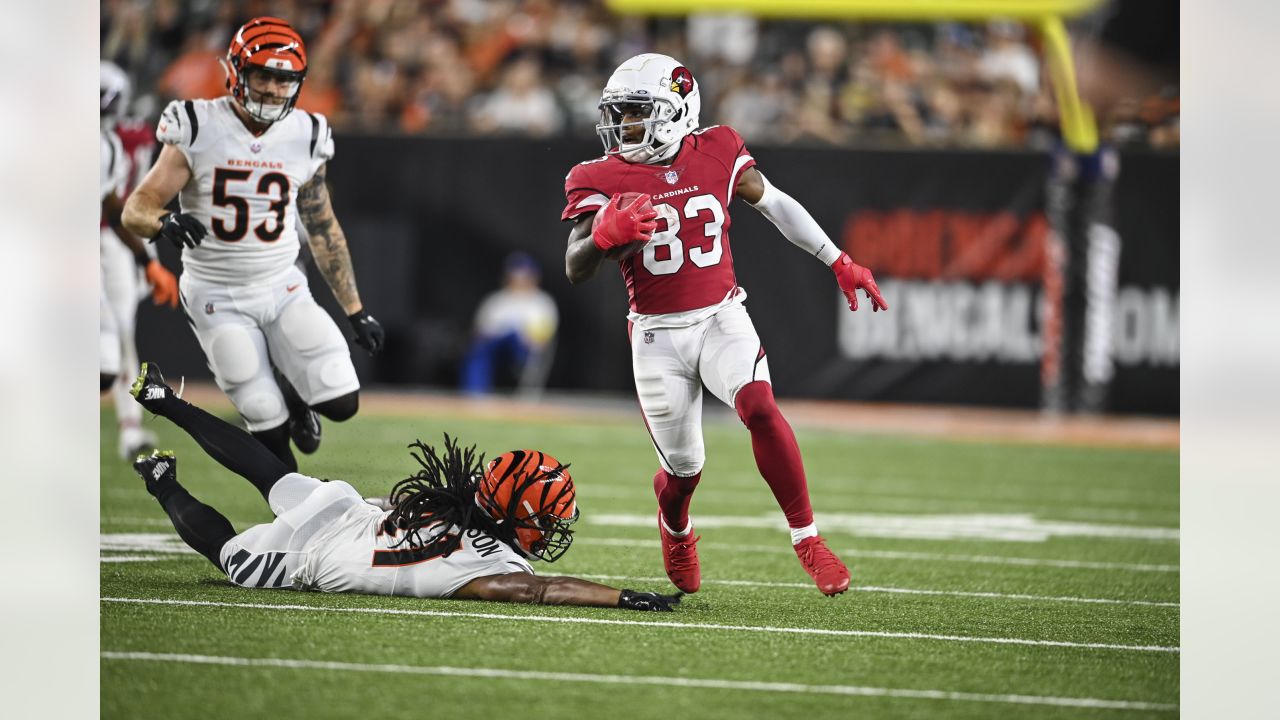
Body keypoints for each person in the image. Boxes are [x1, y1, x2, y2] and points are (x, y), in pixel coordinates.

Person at [561, 54, 888, 596]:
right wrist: (599, 237)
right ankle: (676, 525)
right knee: (684, 472)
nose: (623, 127)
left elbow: (776, 204)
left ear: (676, 110)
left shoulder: (717, 148)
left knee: (759, 406)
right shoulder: (596, 176)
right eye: (619, 114)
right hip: (656, 334)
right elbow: (575, 268)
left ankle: (807, 538)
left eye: (636, 113)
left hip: (720, 316)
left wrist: (838, 259)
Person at [127, 362, 681, 612]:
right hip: (315, 556)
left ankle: (166, 401)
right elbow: (542, 591)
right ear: (519, 516)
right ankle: (162, 483)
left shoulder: (458, 503)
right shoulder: (493, 569)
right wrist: (623, 596)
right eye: (548, 516)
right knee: (232, 557)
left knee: (270, 474)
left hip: (346, 510)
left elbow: (401, 504)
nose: (555, 526)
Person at [122, 17, 385, 471]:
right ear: (235, 73)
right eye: (262, 75)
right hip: (216, 294)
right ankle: (294, 506)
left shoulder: (306, 134)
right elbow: (135, 208)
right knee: (266, 423)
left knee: (342, 400)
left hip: (281, 284)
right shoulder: (198, 125)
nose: (270, 88)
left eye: (283, 79)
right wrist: (163, 221)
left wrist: (355, 309)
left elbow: (322, 227)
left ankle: (297, 396)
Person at [101, 60, 180, 459]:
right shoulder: (131, 135)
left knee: (117, 336)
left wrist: (146, 258)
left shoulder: (119, 140)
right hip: (113, 236)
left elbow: (120, 205)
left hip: (113, 237)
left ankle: (129, 427)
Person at [460, 252, 559, 396]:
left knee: (513, 336)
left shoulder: (542, 302)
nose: (519, 280)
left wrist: (531, 340)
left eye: (524, 276)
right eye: (515, 275)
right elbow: (480, 330)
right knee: (479, 348)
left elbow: (543, 338)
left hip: (522, 350)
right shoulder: (496, 300)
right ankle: (475, 398)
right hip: (495, 348)